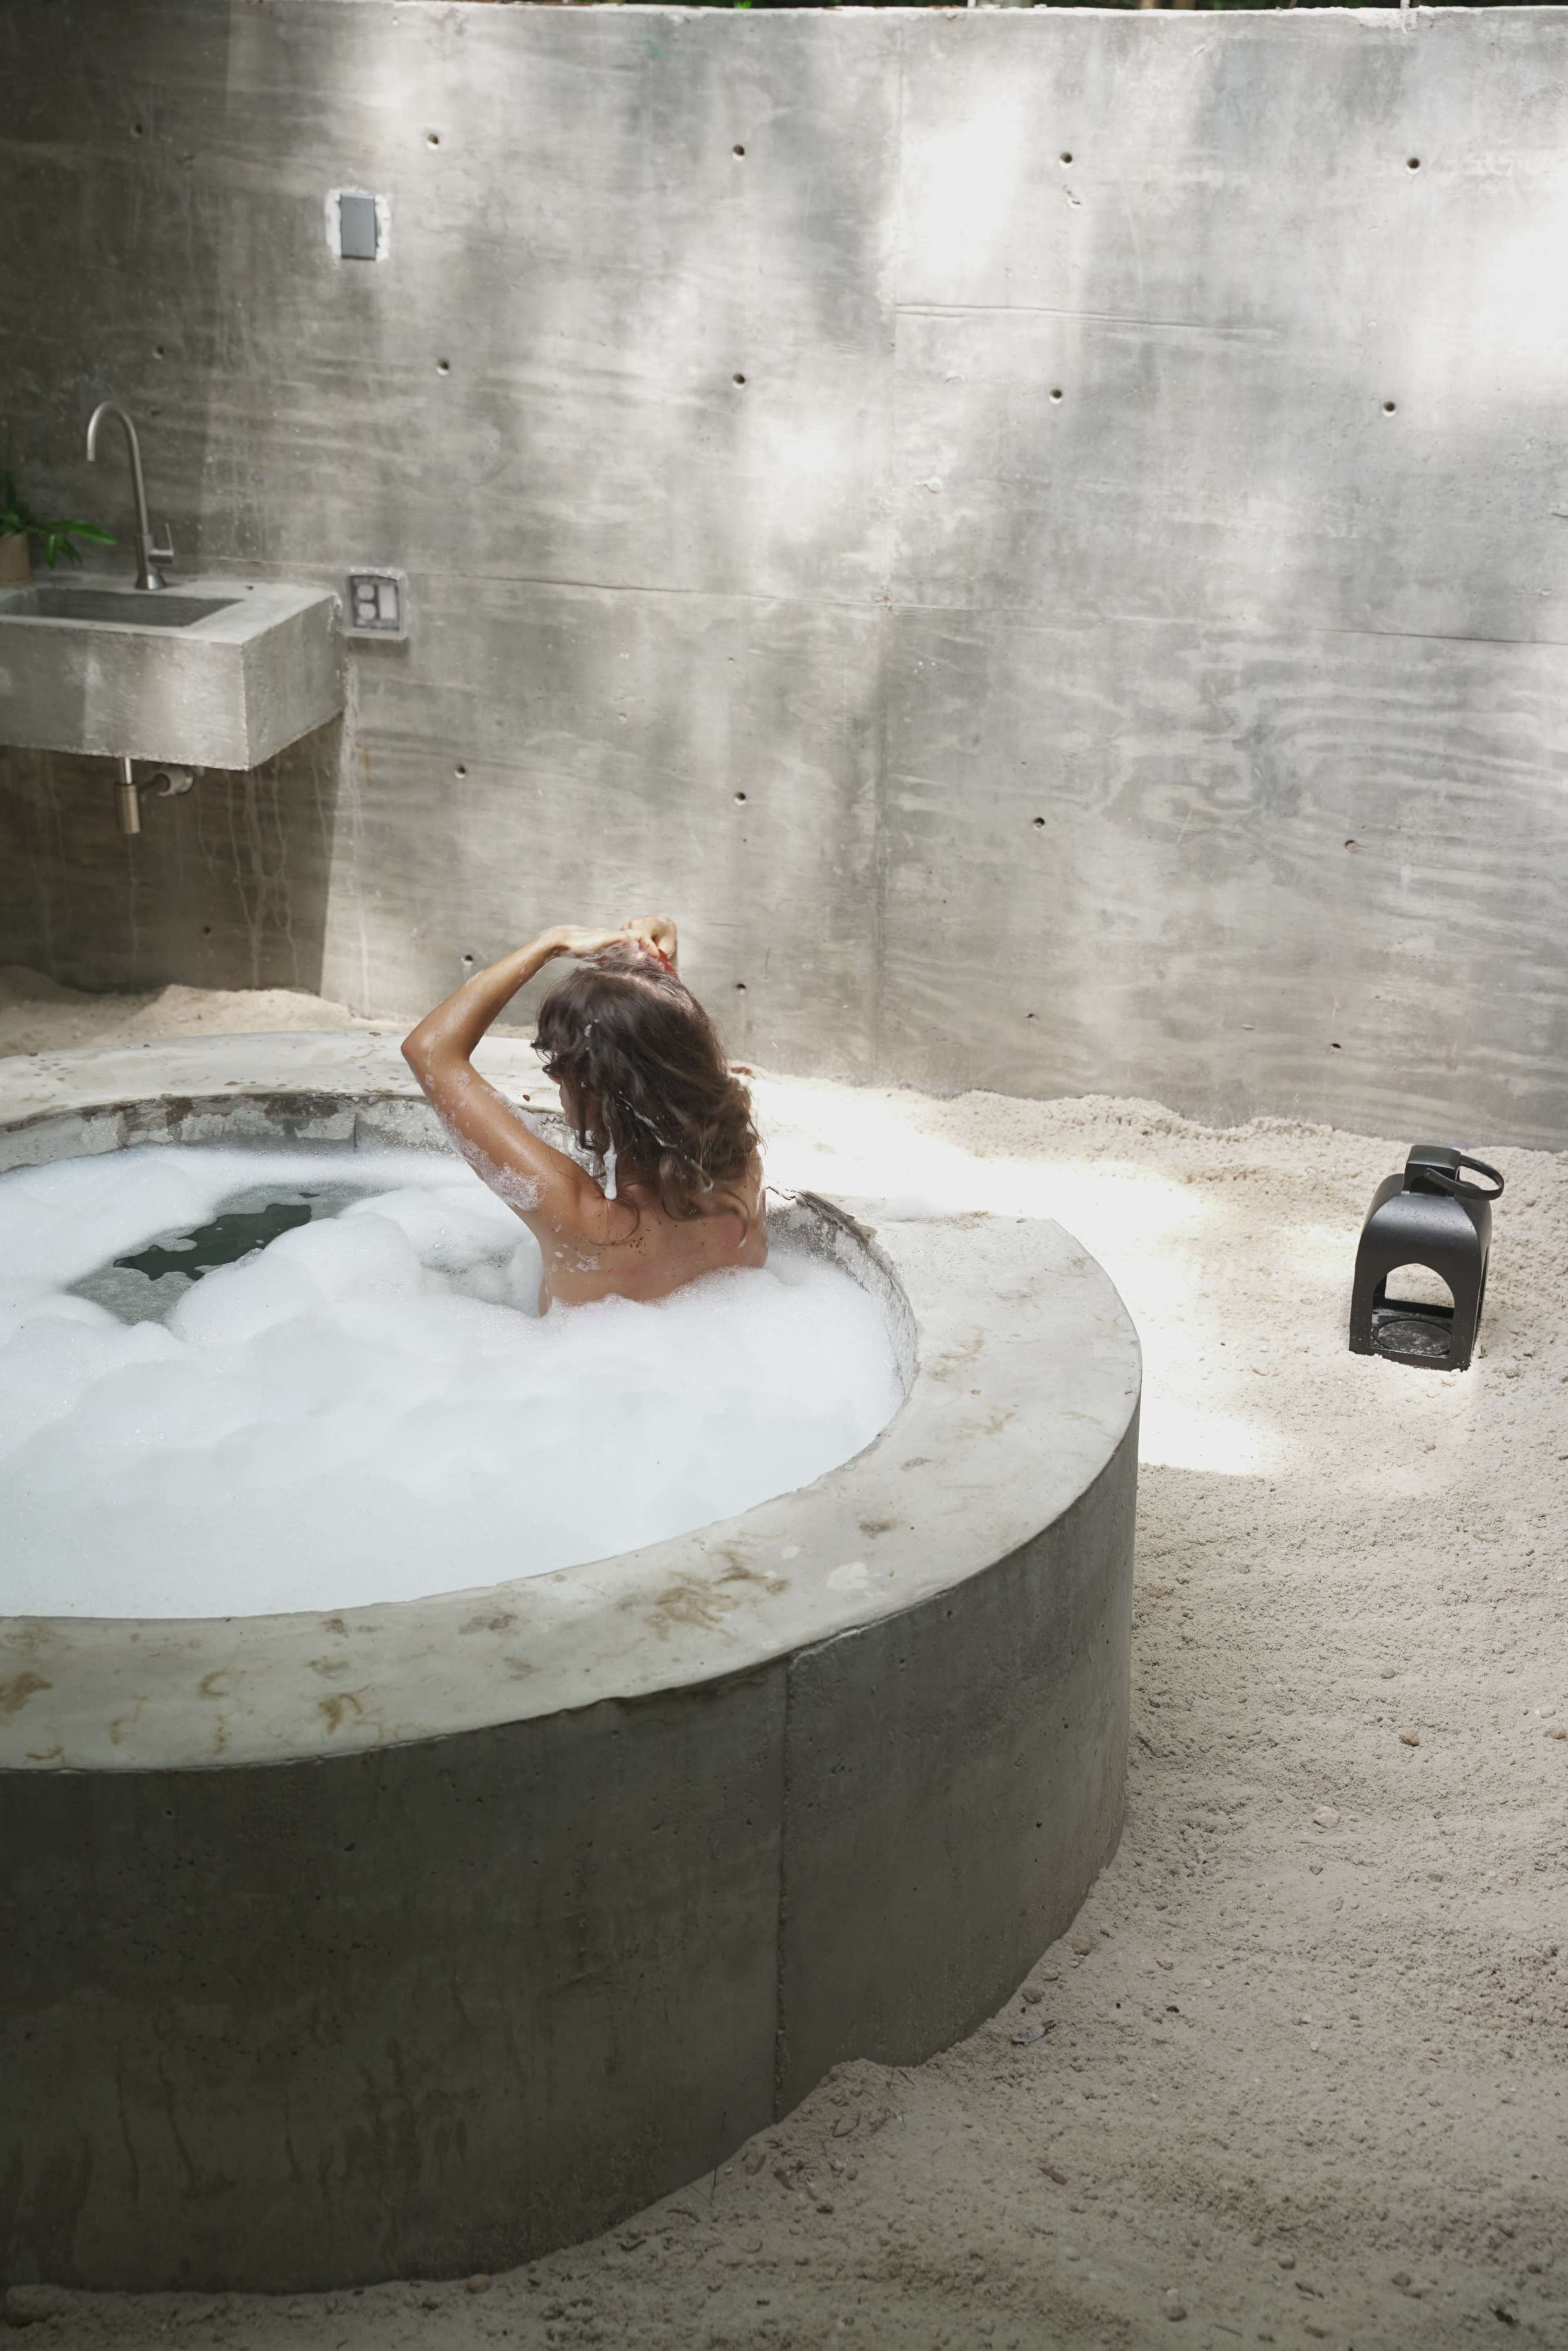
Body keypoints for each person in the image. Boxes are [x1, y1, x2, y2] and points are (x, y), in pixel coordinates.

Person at [401, 917, 765, 1309]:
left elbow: (431, 1050)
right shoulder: (743, 1168)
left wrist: (550, 944)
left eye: (560, 1068)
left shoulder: (577, 1216)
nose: (556, 1083)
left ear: (598, 1093)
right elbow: (670, 1049)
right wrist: (657, 968)